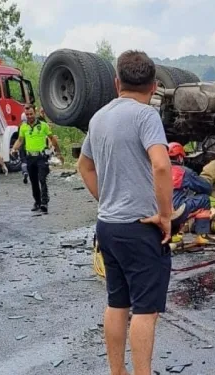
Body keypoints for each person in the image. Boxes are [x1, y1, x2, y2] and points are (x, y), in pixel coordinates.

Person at [76, 50, 174, 375]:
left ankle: (117, 372)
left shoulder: (99, 117)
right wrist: (165, 215)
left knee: (117, 303)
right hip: (139, 227)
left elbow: (84, 165)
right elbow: (161, 165)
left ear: (117, 82)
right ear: (154, 86)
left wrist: (105, 199)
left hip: (107, 226)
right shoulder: (146, 116)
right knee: (145, 310)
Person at [10, 104, 61, 213]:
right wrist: (14, 149)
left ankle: (44, 202)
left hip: (41, 157)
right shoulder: (23, 127)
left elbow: (52, 138)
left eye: (31, 114)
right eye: (27, 114)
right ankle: (37, 202)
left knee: (42, 179)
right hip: (30, 157)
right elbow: (20, 140)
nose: (29, 116)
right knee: (33, 181)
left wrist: (58, 152)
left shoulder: (43, 125)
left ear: (35, 113)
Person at [168, 142, 212, 234]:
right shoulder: (183, 171)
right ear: (180, 157)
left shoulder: (153, 170)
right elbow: (206, 188)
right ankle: (202, 235)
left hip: (156, 213)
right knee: (204, 199)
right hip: (175, 214)